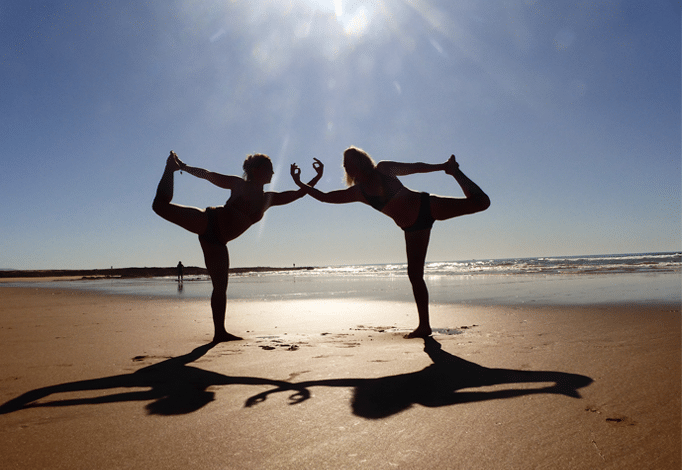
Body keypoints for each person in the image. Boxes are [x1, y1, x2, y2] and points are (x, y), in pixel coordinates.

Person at [291, 146, 490, 339]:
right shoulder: (359, 192)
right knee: (414, 274)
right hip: (412, 229)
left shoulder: (384, 169)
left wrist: (443, 167)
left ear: (362, 161)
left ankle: (455, 172)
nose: (346, 167)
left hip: (427, 206)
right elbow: (326, 197)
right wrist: (301, 183)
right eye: (344, 164)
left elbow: (416, 167)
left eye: (350, 162)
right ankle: (424, 326)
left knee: (482, 203)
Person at [153, 151, 323, 342]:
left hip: (218, 242)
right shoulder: (239, 185)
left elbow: (300, 194)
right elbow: (208, 175)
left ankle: (220, 333)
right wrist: (183, 167)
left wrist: (315, 177)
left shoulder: (268, 198)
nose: (273, 173)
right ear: (255, 170)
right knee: (159, 206)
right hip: (208, 222)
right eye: (269, 169)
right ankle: (170, 167)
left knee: (220, 287)